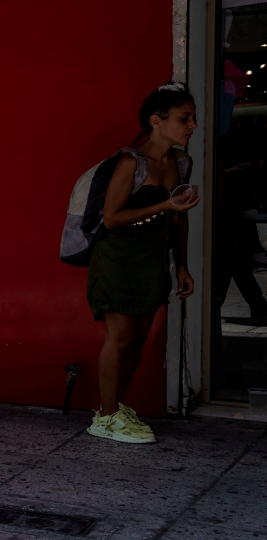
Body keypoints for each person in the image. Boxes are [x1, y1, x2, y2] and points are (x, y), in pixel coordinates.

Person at [87, 82, 200, 444]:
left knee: (138, 340)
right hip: (118, 260)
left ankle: (116, 407)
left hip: (153, 262)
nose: (192, 126)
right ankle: (104, 418)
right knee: (119, 336)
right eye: (184, 118)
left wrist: (180, 265)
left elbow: (179, 220)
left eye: (193, 118)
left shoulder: (181, 162)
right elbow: (113, 218)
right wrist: (165, 206)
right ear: (156, 120)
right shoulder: (130, 162)